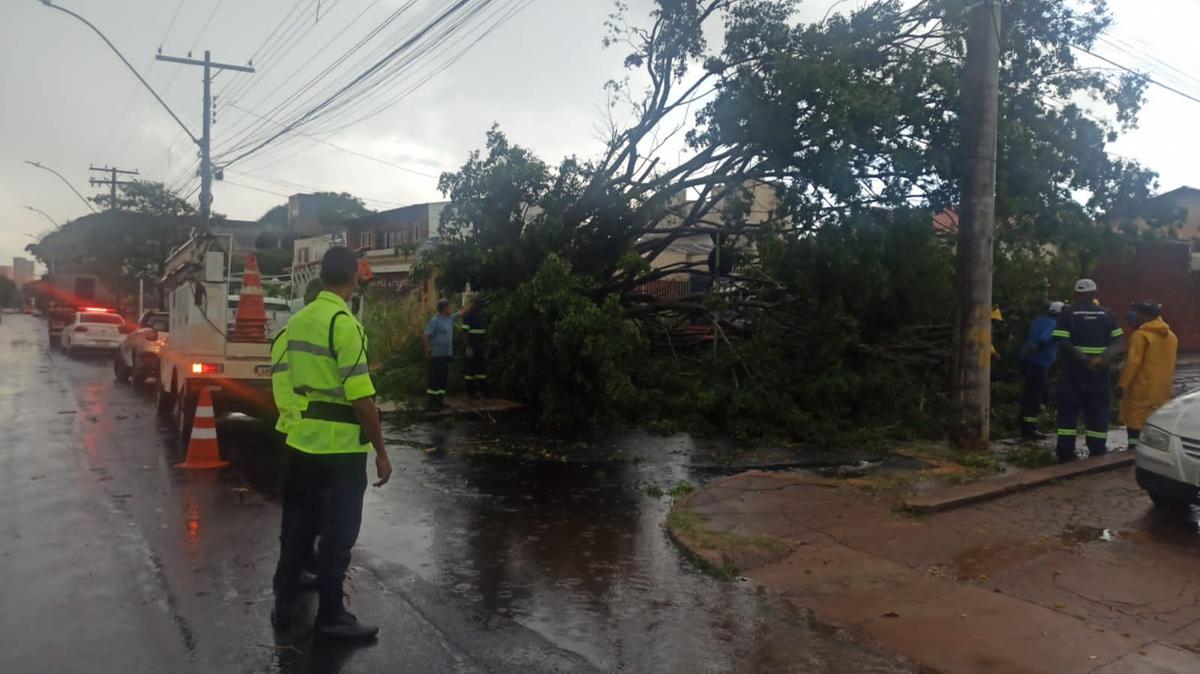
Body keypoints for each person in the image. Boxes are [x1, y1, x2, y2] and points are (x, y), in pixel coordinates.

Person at [271, 247, 391, 641]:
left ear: (321, 277)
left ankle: (283, 605)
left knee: (298, 528)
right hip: (340, 452)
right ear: (353, 279)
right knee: (338, 535)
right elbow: (361, 398)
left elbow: (284, 380)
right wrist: (382, 452)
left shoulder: (297, 322)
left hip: (302, 443)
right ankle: (331, 616)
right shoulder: (344, 324)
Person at [1053, 279, 1124, 462]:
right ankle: (1098, 450)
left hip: (1073, 372)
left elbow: (1062, 343)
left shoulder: (1067, 313)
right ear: (1095, 294)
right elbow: (1118, 343)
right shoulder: (1106, 314)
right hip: (1099, 373)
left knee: (1068, 412)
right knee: (1098, 410)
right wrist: (1103, 358)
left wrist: (1084, 360)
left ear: (1076, 294)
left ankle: (1066, 453)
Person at [1119, 301, 1178, 449]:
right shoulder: (1171, 337)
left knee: (1135, 421)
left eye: (1137, 313)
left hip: (1141, 388)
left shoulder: (1140, 336)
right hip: (1162, 389)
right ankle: (1152, 449)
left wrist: (1122, 384)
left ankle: (1133, 451)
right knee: (1156, 421)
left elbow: (1133, 363)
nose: (1134, 316)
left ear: (1147, 315)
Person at [1018, 301, 1064, 440]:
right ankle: (1030, 430)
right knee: (1037, 395)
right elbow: (1045, 338)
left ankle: (1025, 423)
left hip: (1026, 360)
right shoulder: (1053, 324)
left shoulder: (1038, 321)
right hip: (1039, 362)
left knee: (1031, 393)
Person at [423, 299, 459, 410]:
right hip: (436, 355)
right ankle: (431, 402)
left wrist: (471, 304)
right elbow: (426, 335)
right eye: (449, 307)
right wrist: (428, 348)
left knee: (443, 378)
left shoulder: (450, 318)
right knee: (435, 378)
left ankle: (439, 401)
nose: (450, 309)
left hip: (446, 354)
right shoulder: (435, 320)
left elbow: (461, 313)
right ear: (444, 308)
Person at [461, 297, 488, 399]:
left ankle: (484, 391)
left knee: (481, 370)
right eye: (481, 304)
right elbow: (464, 332)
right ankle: (470, 393)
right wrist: (468, 347)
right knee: (469, 371)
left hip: (480, 346)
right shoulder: (468, 315)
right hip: (471, 347)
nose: (482, 307)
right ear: (476, 304)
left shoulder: (481, 315)